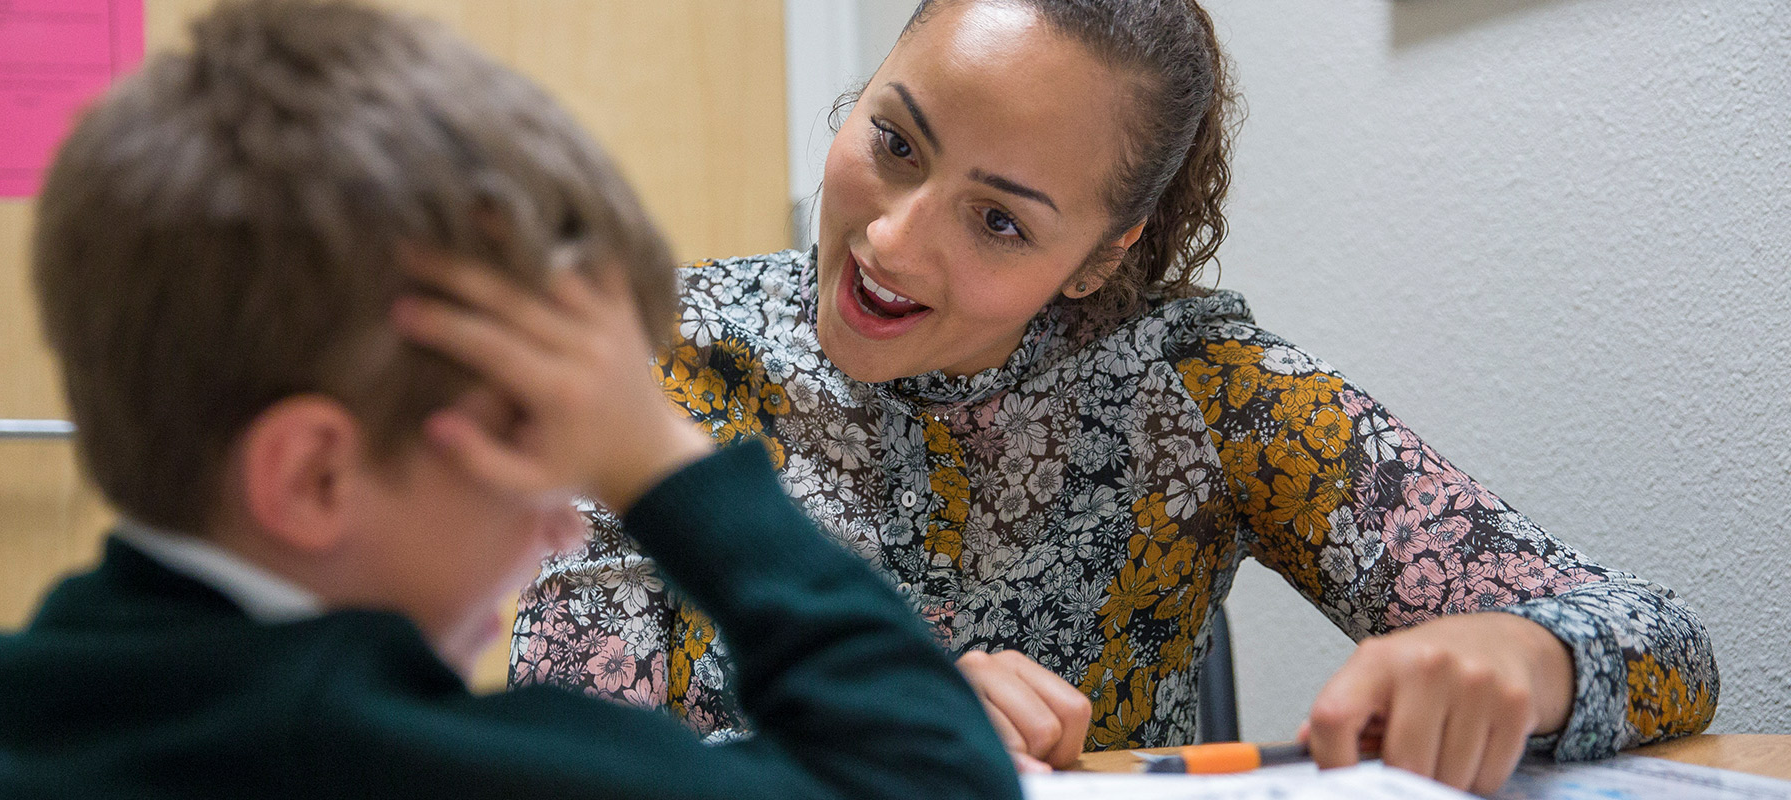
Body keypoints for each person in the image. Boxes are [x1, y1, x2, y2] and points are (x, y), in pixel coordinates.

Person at [510, 0, 1720, 793]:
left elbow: (1665, 642)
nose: (893, 239)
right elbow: (566, 762)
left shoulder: (1208, 396)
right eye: (895, 139)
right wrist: (879, 726)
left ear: (1102, 252)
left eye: (998, 218)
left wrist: (1521, 649)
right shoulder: (663, 358)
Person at [0, 3, 1021, 798]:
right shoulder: (436, 767)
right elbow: (930, 768)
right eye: (536, 437)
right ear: (313, 473)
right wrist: (666, 463)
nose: (567, 516)